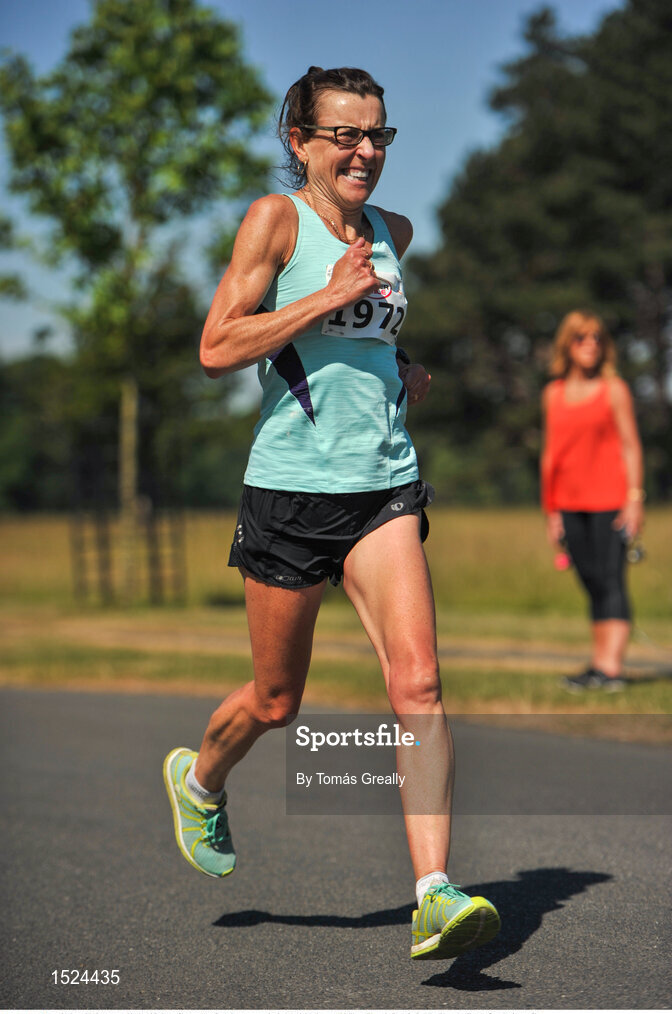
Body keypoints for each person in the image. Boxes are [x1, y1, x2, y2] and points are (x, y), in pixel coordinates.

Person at [163, 66, 500, 960]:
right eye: (346, 134)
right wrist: (324, 296)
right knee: (278, 703)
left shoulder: (395, 231)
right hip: (290, 490)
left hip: (384, 484)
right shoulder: (276, 222)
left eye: (379, 135)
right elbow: (216, 346)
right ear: (300, 142)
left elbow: (369, 336)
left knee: (418, 684)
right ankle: (200, 781)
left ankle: (433, 890)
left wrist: (403, 368)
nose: (365, 152)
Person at [540, 309, 645, 691]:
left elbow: (631, 447)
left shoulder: (614, 389)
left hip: (611, 501)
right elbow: (550, 456)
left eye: (597, 337)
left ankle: (610, 669)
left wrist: (635, 499)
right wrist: (551, 510)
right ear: (567, 344)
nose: (590, 345)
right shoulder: (553, 393)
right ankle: (599, 664)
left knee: (611, 579)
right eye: (581, 338)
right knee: (590, 581)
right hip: (569, 503)